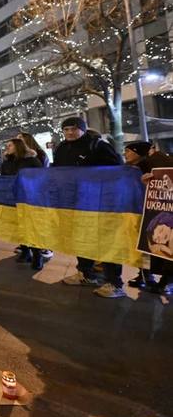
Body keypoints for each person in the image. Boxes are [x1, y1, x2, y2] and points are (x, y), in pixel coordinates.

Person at [52, 116, 124, 296]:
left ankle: (114, 282)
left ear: (83, 129)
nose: (69, 132)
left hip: (99, 201)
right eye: (66, 129)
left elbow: (117, 170)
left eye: (73, 129)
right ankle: (86, 273)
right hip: (74, 201)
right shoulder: (61, 148)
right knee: (81, 238)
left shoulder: (98, 146)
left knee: (105, 239)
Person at [125, 140, 173, 295]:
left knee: (165, 246)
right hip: (148, 211)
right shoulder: (136, 167)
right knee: (148, 246)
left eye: (129, 150)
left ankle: (166, 281)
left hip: (162, 213)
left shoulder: (159, 163)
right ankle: (146, 276)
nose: (125, 154)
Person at [0, 138, 49, 269]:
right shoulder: (6, 162)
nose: (7, 147)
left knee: (32, 227)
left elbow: (41, 177)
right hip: (14, 198)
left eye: (10, 145)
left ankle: (37, 255)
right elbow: (4, 178)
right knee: (19, 226)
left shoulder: (31, 160)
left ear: (18, 146)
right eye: (7, 145)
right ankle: (25, 251)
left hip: (30, 198)